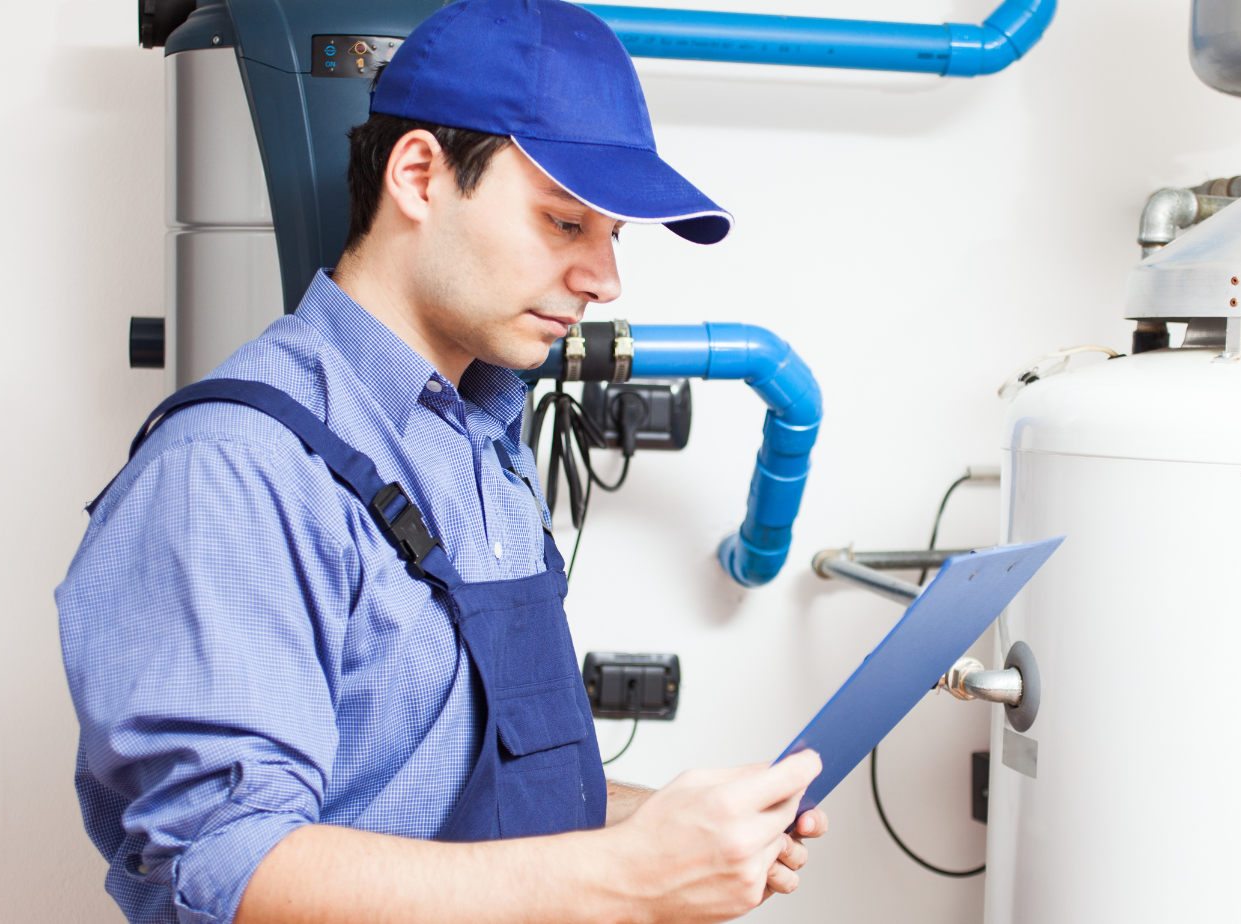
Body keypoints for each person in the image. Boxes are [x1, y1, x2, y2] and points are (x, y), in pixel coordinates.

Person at [57, 1, 827, 921]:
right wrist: (631, 879)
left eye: (612, 236)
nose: (606, 279)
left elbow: (446, 797)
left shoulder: (486, 440)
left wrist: (656, 827)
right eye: (562, 220)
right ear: (418, 174)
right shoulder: (234, 468)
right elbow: (227, 871)